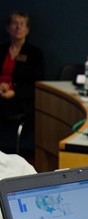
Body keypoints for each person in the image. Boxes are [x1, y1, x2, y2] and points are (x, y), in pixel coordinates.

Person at [0, 11, 44, 161]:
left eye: (22, 24)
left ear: (27, 29)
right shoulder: (1, 50)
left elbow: (37, 84)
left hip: (21, 100)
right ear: (7, 28)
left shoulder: (35, 54)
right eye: (14, 23)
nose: (18, 27)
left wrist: (15, 92)